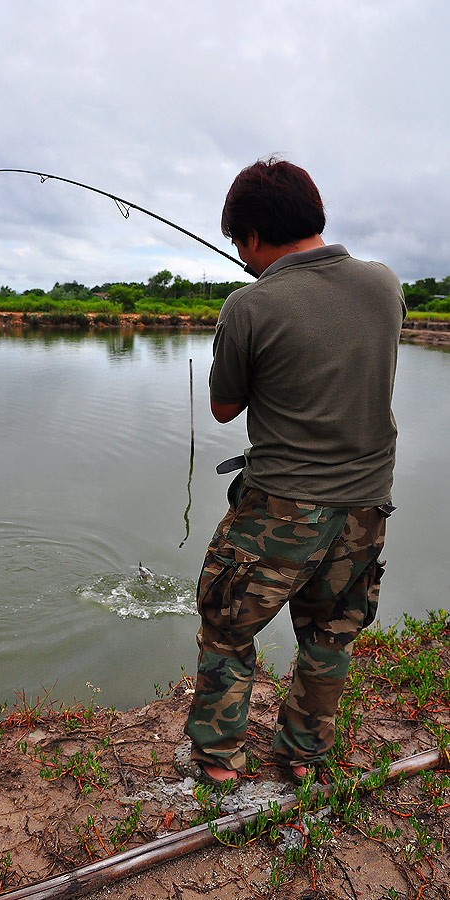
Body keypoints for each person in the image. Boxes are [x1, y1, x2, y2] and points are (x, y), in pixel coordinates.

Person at [174, 157, 406, 787]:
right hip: (366, 505)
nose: (242, 257)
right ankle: (302, 757)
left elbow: (224, 409)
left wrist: (245, 314)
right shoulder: (386, 284)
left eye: (240, 245)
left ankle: (220, 764)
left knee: (226, 628)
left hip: (281, 509)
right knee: (330, 635)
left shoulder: (249, 304)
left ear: (250, 236)